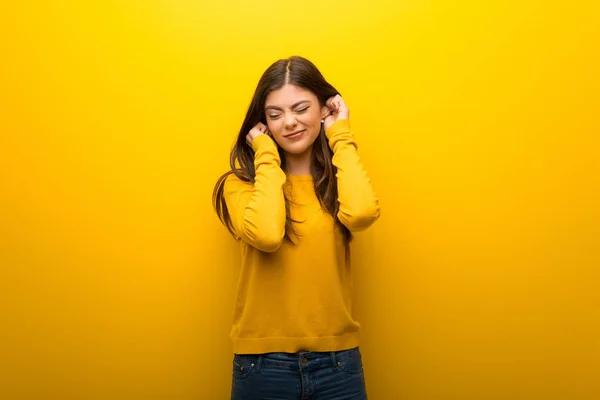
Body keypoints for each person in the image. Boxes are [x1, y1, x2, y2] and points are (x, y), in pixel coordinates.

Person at [213, 55, 380, 400]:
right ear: (263, 124)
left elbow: (363, 213)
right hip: (262, 366)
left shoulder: (337, 182)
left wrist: (341, 135)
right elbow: (267, 234)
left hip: (339, 364)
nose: (289, 123)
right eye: (275, 115)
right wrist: (266, 156)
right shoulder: (240, 185)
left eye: (301, 109)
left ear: (324, 109)